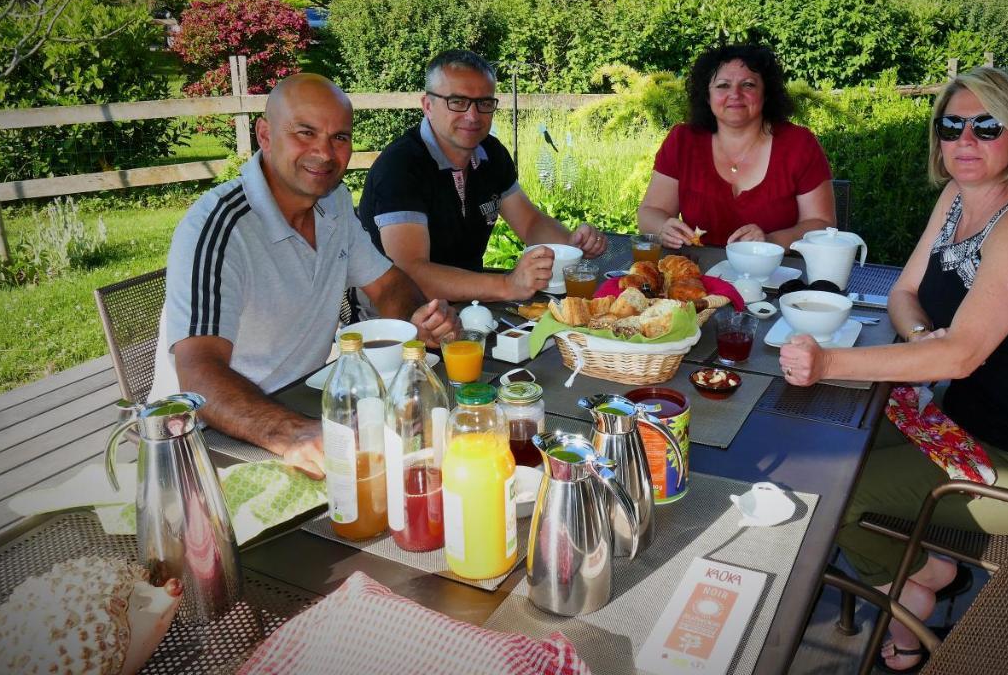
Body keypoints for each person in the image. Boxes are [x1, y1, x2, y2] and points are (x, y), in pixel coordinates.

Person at [778, 67, 1008, 673]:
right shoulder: (958, 200)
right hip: (966, 423)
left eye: (987, 126)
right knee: (829, 442)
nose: (966, 140)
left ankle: (916, 586)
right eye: (952, 126)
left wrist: (829, 362)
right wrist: (927, 339)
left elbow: (960, 357)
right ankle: (928, 568)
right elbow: (904, 294)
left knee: (826, 491)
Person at [150, 73, 460, 478]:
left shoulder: (334, 204)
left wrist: (417, 320)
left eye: (340, 138)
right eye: (305, 132)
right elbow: (197, 375)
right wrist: (291, 433)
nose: (324, 153)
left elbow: (388, 284)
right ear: (264, 134)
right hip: (209, 441)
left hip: (307, 406)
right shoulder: (220, 227)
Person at [357, 50, 607, 302]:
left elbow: (530, 223)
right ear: (428, 106)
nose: (473, 116)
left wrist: (572, 245)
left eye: (484, 103)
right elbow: (411, 273)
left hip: (471, 303)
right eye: (457, 101)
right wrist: (507, 285)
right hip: (395, 319)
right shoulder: (399, 167)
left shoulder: (491, 152)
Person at [638, 44, 835, 249]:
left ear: (765, 93)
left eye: (748, 85)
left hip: (780, 276)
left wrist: (770, 242)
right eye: (723, 85)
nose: (735, 94)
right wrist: (662, 228)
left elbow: (822, 224)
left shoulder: (799, 144)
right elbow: (650, 211)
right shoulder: (683, 141)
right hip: (697, 275)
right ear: (707, 95)